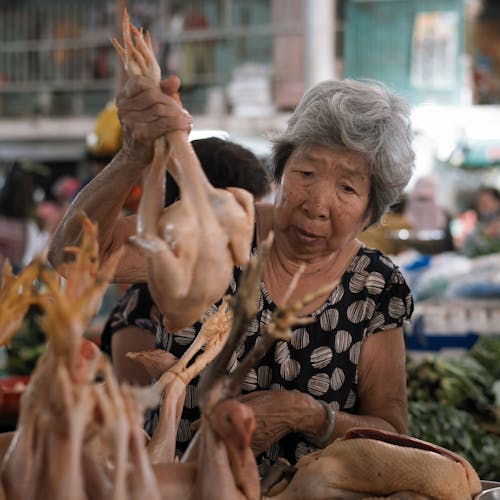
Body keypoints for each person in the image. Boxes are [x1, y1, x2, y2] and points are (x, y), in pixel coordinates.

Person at [48, 75, 415, 466]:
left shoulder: (375, 288)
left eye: (347, 189)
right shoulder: (219, 229)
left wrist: (305, 414)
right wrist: (133, 155)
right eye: (306, 173)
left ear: (371, 212)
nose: (317, 205)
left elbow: (392, 431)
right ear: (280, 168)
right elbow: (74, 258)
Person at [99, 136, 271, 386]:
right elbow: (136, 406)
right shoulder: (143, 303)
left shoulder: (244, 280)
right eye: (252, 215)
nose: (252, 227)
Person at [460, 185, 500, 257]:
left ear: (497, 202)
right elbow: (465, 250)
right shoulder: (478, 227)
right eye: (479, 204)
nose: (482, 208)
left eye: (485, 203)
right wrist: (485, 235)